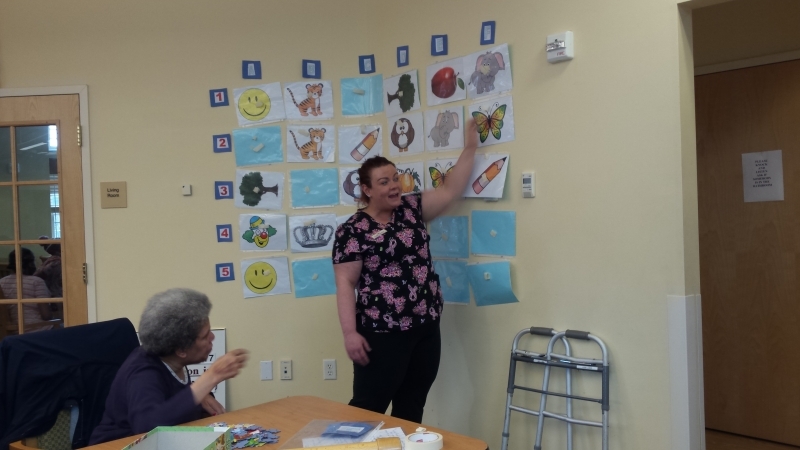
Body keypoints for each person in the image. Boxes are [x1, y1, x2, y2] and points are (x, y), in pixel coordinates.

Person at [332, 119, 478, 423]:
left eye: (396, 178)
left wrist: (470, 147)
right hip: (382, 334)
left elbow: (451, 190)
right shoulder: (352, 230)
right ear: (367, 189)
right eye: (384, 181)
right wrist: (349, 334)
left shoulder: (412, 209)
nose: (395, 185)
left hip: (425, 328)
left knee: (411, 408)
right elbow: (345, 282)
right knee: (367, 409)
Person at [89, 288, 249, 445]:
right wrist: (211, 376)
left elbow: (171, 396)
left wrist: (201, 396)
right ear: (181, 350)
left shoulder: (171, 358)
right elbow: (147, 428)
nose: (212, 337)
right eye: (205, 336)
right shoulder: (143, 373)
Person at [0, 248, 53, 329]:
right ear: (30, 264)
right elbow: (46, 316)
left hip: (13, 331)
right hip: (38, 329)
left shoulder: (1, 282)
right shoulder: (37, 282)